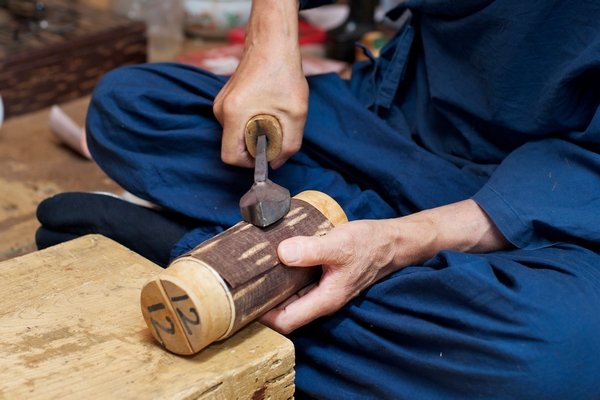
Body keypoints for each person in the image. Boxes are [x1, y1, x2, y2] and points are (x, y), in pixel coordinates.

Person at [36, 0, 600, 398]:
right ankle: (338, 272)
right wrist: (272, 41)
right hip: (394, 130)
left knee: (554, 363)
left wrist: (404, 240)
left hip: (554, 201)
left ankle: (192, 258)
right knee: (130, 107)